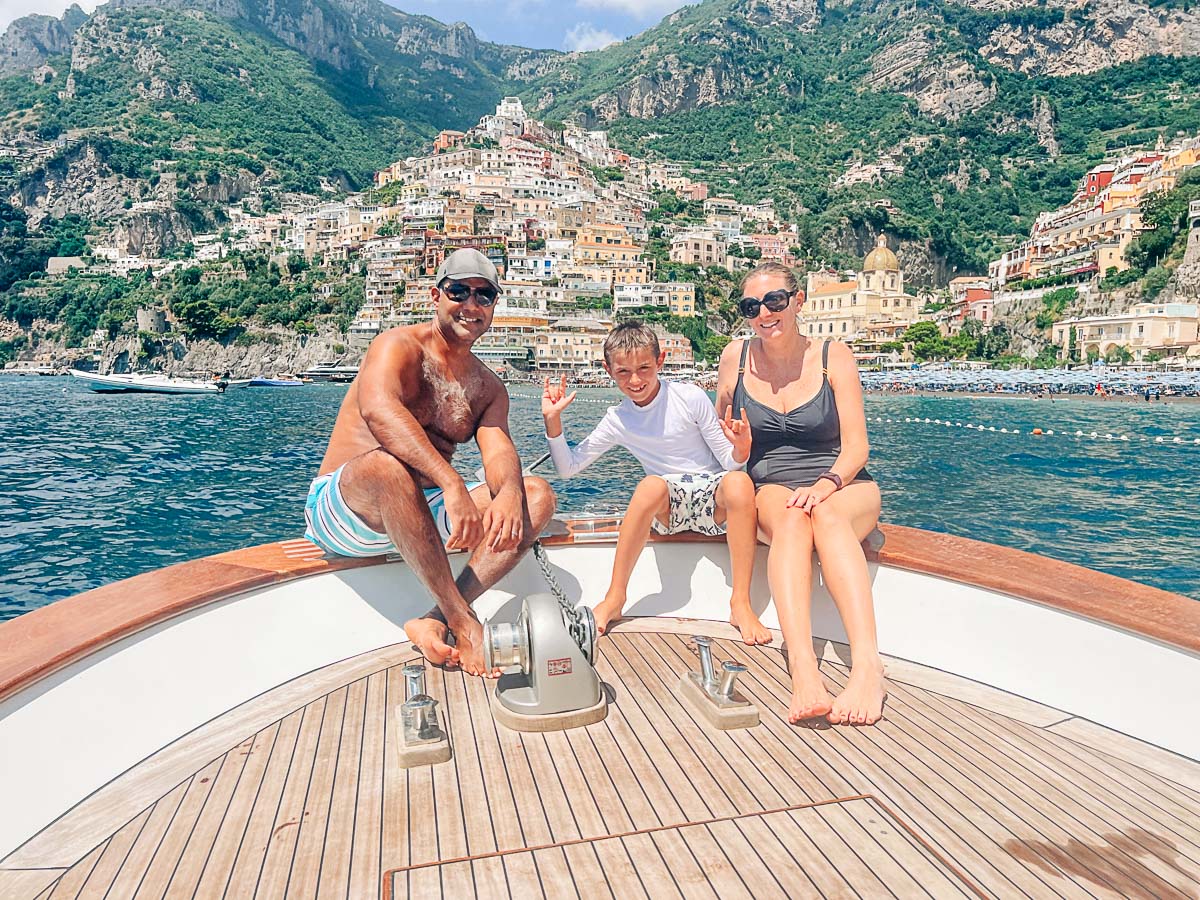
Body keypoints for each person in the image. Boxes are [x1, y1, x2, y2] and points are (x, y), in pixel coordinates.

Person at [304, 249, 556, 676]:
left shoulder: (488, 387)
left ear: (494, 306)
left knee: (537, 495)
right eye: (459, 291)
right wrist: (452, 484)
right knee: (388, 468)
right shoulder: (397, 346)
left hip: (425, 516)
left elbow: (497, 450)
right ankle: (463, 622)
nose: (471, 305)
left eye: (484, 296)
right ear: (435, 295)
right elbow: (379, 411)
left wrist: (510, 492)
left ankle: (434, 620)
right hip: (349, 513)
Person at [716, 261, 886, 726]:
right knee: (793, 520)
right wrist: (738, 445)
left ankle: (868, 667)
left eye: (775, 301)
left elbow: (856, 446)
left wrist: (825, 486)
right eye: (753, 306)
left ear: (798, 302)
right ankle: (804, 670)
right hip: (772, 481)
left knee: (827, 518)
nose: (765, 313)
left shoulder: (835, 355)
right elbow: (722, 435)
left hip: (843, 481)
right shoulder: (735, 356)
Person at [542, 321, 766, 643]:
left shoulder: (689, 397)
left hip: (711, 500)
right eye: (623, 372)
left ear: (660, 362)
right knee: (649, 485)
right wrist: (553, 420)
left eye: (644, 368)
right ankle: (615, 597)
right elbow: (568, 467)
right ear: (608, 370)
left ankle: (741, 603)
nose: (635, 380)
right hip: (668, 508)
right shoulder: (618, 419)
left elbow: (730, 462)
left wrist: (742, 447)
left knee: (740, 484)